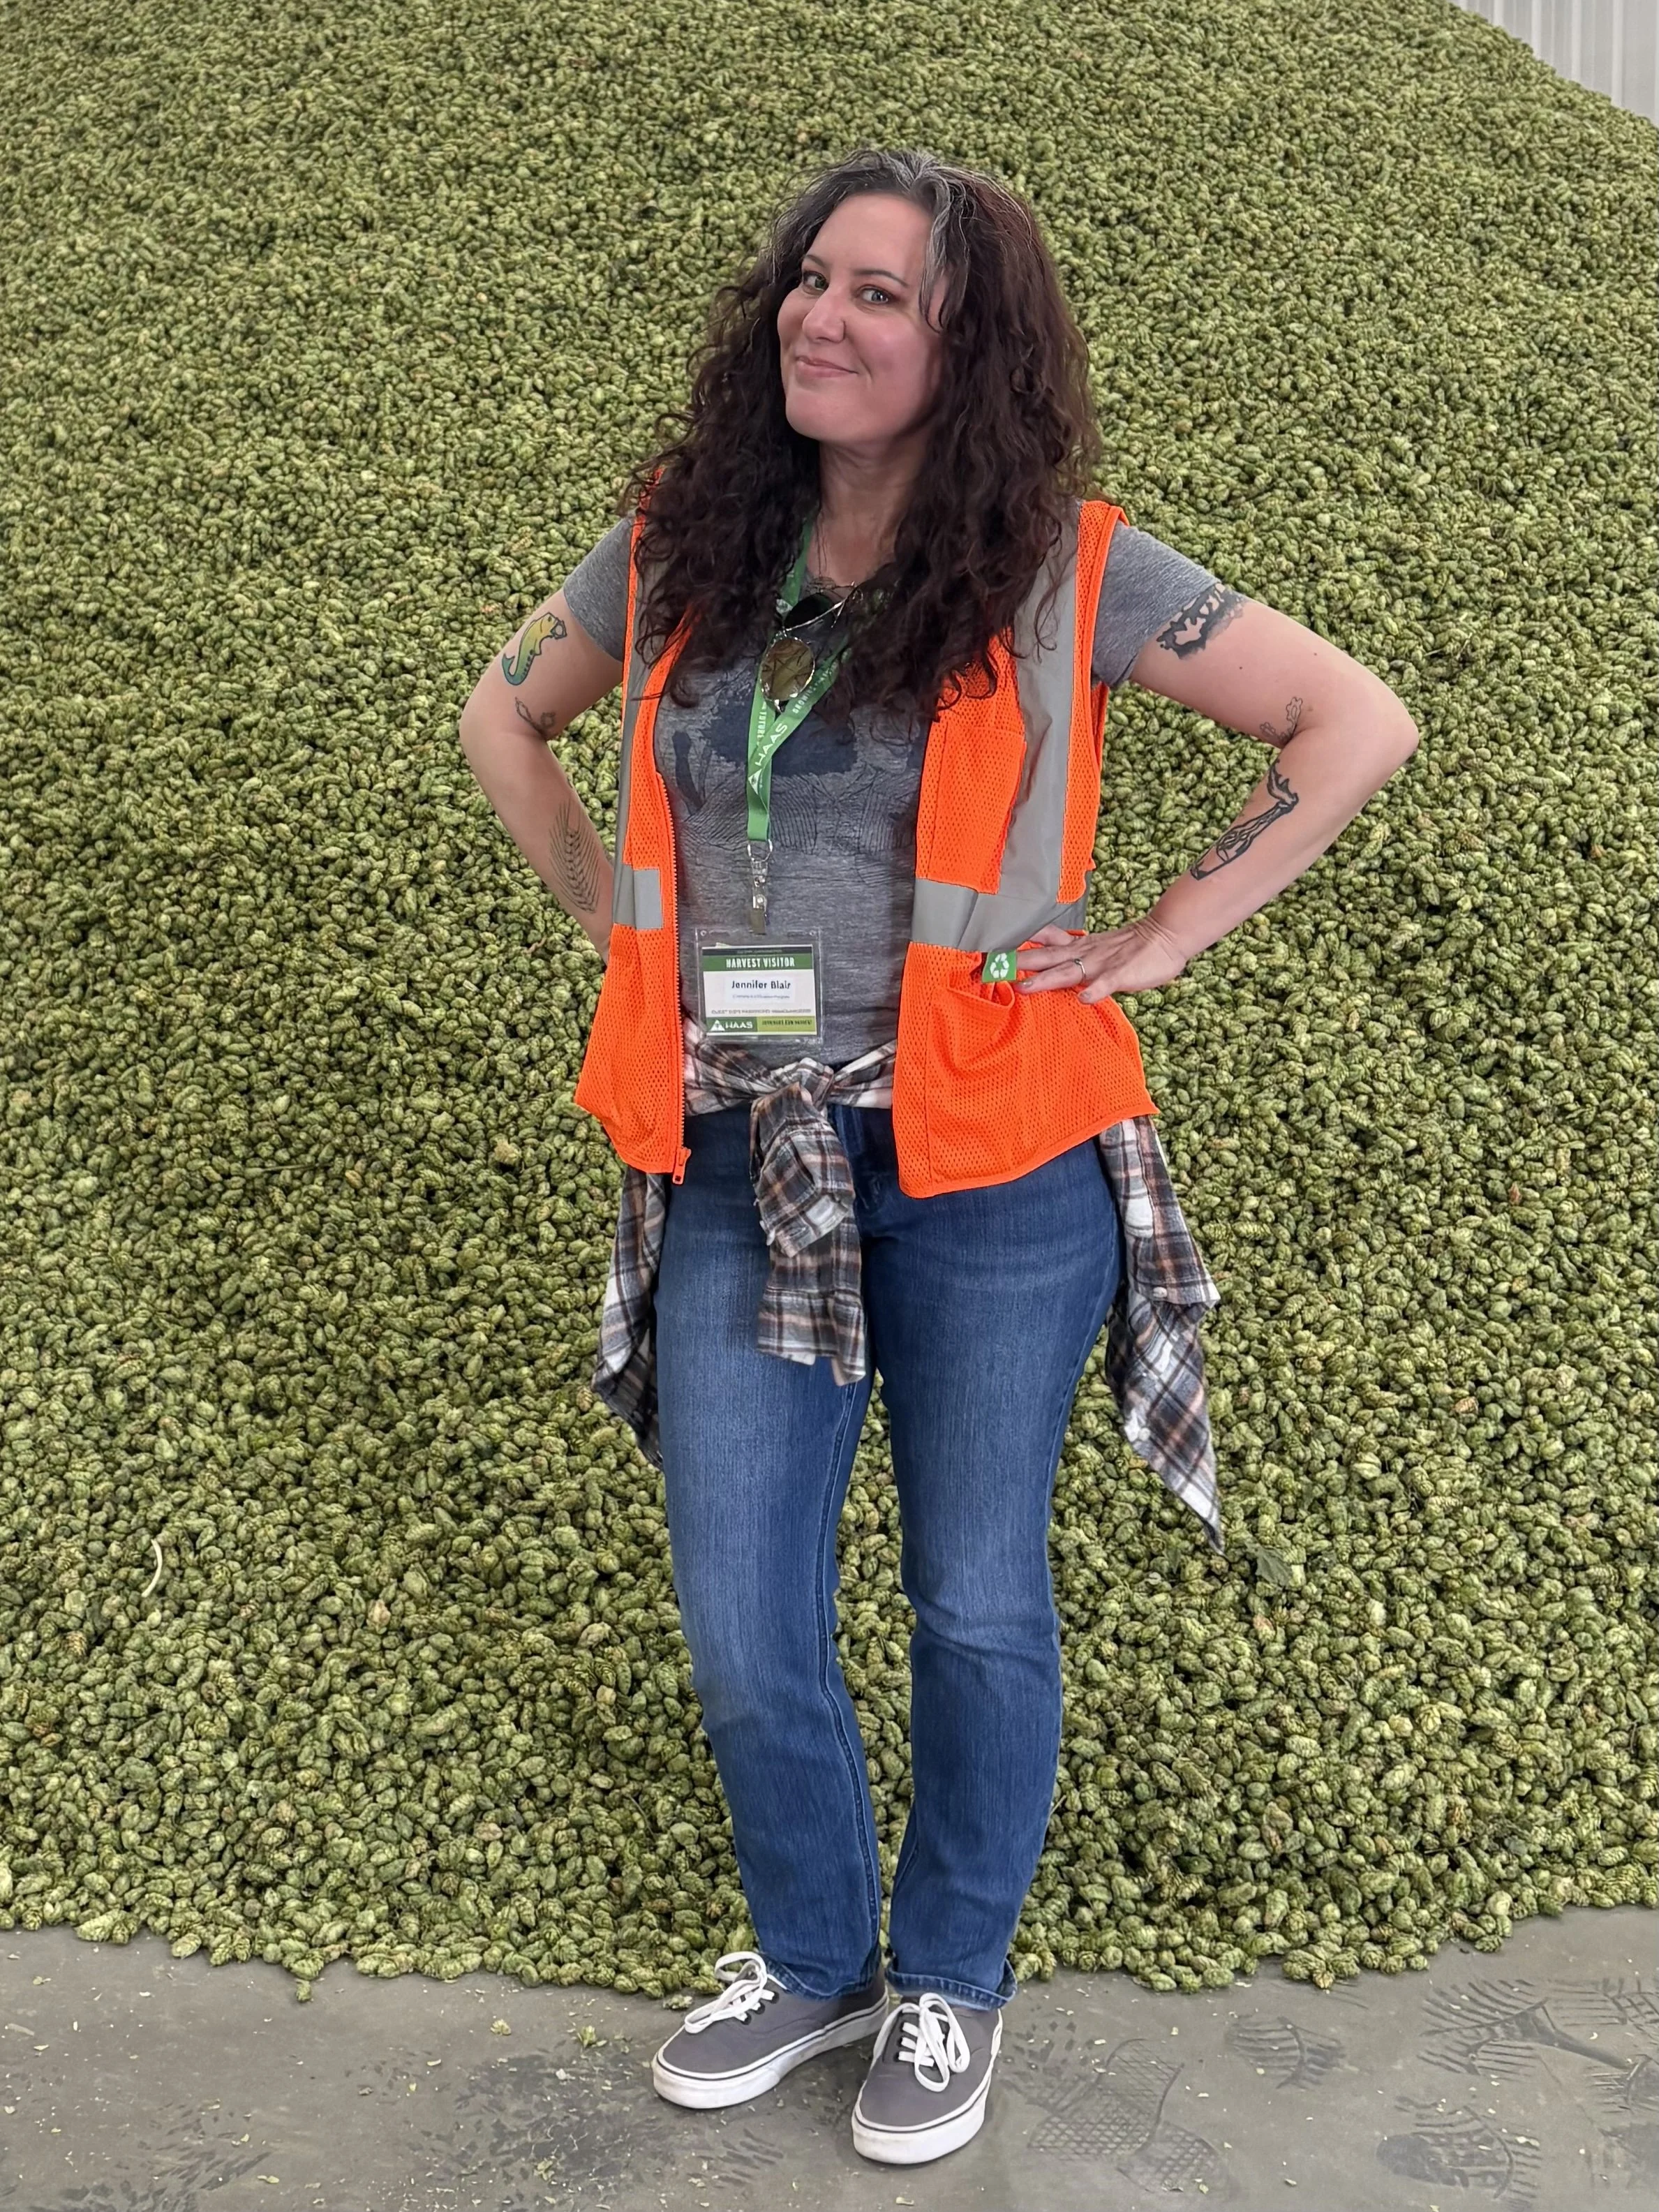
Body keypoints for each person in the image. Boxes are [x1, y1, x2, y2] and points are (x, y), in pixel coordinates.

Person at [457, 146, 1419, 2169]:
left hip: (995, 1160)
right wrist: (615, 923)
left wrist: (1163, 933)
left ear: (964, 341)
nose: (825, 315)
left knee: (977, 1599)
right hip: (740, 1149)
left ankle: (948, 1982)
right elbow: (505, 718)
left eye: (879, 294)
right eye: (814, 281)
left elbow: (1348, 724)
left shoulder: (1070, 563)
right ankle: (812, 1961)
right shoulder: (681, 540)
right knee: (743, 1609)